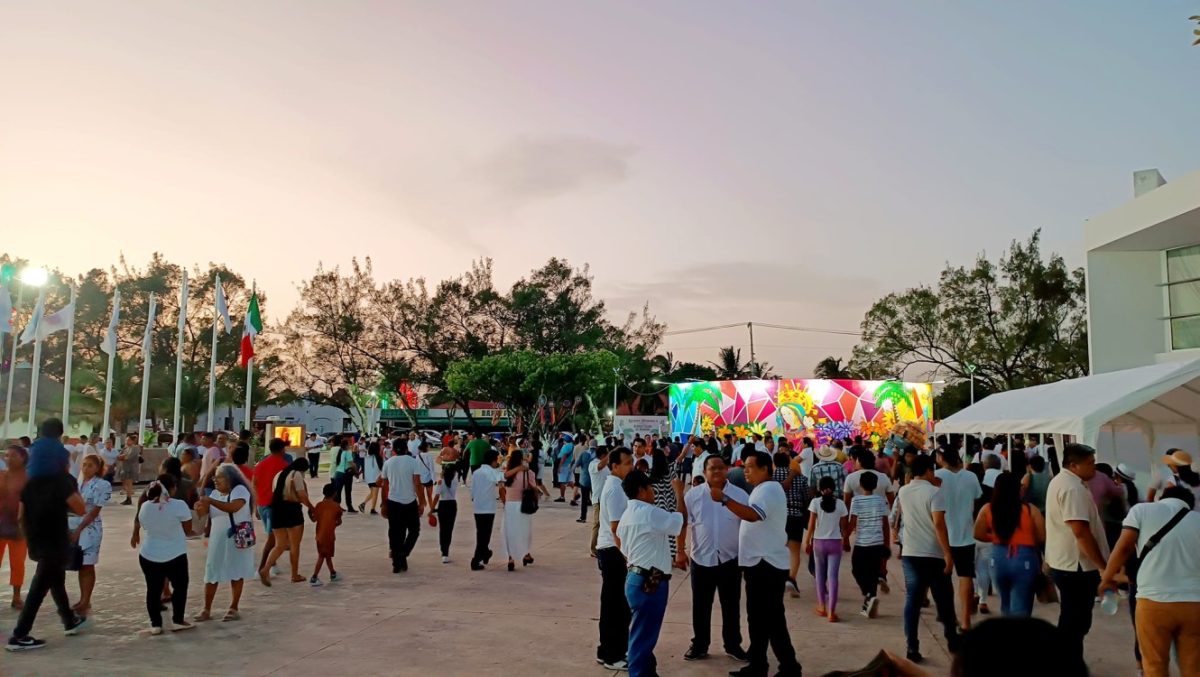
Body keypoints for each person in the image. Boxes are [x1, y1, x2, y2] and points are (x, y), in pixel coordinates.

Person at [712, 449, 803, 677]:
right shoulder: (762, 489)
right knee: (758, 619)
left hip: (767, 564)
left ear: (765, 469)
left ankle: (789, 667)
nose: (746, 471)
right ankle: (758, 664)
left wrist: (724, 499)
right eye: (745, 467)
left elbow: (753, 515)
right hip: (758, 563)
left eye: (750, 467)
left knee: (772, 620)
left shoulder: (769, 490)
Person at [1100, 485, 1200, 677]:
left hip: (1153, 602)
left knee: (1154, 665)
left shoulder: (1141, 510)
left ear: (1162, 498)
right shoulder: (1197, 520)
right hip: (1195, 604)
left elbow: (1123, 548)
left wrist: (1106, 579)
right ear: (1190, 505)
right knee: (1194, 668)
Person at [6, 453, 88, 651]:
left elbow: (20, 516)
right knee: (38, 589)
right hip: (55, 543)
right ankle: (20, 634)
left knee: (55, 580)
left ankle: (69, 620)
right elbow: (80, 508)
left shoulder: (30, 483)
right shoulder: (61, 483)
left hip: (38, 542)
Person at [678, 454, 748, 663]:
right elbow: (683, 523)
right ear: (704, 471)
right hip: (702, 560)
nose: (716, 472)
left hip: (730, 560)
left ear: (726, 469)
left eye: (720, 468)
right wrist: (680, 550)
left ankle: (733, 644)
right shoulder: (694, 495)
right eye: (712, 469)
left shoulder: (740, 495)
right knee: (701, 605)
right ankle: (699, 644)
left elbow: (747, 525)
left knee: (731, 605)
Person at [1044, 443, 1110, 665]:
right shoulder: (1071, 488)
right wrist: (1102, 566)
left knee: (1075, 620)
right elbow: (1080, 532)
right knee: (1075, 621)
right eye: (1090, 464)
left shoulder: (1065, 482)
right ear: (1073, 465)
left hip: (1067, 564)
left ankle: (1069, 660)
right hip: (1076, 566)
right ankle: (1067, 663)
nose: (1094, 468)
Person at [617, 469, 685, 677]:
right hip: (650, 581)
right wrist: (679, 494)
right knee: (643, 637)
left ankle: (647, 671)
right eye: (650, 488)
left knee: (642, 632)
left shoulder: (627, 515)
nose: (653, 492)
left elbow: (622, 546)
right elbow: (678, 522)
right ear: (642, 491)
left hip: (636, 578)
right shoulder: (648, 512)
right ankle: (638, 673)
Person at [894, 453, 960, 663]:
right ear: (929, 471)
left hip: (911, 553)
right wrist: (948, 553)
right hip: (933, 553)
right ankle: (952, 639)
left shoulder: (904, 491)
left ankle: (912, 646)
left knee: (913, 600)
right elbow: (939, 524)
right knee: (944, 599)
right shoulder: (935, 493)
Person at [133, 473, 195, 634]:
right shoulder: (179, 505)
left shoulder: (145, 506)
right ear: (172, 489)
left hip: (149, 554)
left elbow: (144, 525)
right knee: (180, 587)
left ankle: (156, 624)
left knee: (153, 589)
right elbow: (188, 530)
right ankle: (178, 620)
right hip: (175, 553)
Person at [195, 464, 255, 622]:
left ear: (230, 478)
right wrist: (200, 508)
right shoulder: (215, 493)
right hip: (217, 539)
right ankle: (206, 608)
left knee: (236, 571)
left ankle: (234, 607)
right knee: (212, 571)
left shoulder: (240, 490)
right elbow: (204, 515)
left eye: (219, 477)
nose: (215, 480)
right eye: (214, 477)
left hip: (236, 538)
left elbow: (233, 507)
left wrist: (211, 501)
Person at [933, 446, 982, 630]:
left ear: (940, 457)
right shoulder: (971, 476)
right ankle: (966, 620)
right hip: (966, 535)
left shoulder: (936, 477)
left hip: (942, 536)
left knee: (942, 579)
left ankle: (947, 615)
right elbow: (976, 500)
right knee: (966, 576)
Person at [596, 446, 634, 670]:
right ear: (615, 466)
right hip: (613, 551)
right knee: (617, 606)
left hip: (611, 550)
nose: (631, 466)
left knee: (611, 604)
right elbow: (616, 528)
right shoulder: (615, 489)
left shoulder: (616, 485)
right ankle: (613, 655)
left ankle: (606, 650)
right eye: (627, 462)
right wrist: (628, 555)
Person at [259, 458, 315, 585]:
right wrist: (312, 508)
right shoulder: (297, 475)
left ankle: (266, 568)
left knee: (280, 544)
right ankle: (294, 575)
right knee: (295, 545)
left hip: (277, 510)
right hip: (292, 510)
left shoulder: (278, 475)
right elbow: (302, 495)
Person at [68, 455, 111, 618]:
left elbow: (94, 511)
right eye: (84, 465)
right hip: (73, 524)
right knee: (79, 563)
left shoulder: (102, 485)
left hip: (90, 527)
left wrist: (79, 529)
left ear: (97, 468)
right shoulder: (77, 483)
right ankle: (83, 597)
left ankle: (86, 599)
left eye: (90, 466)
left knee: (88, 563)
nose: (86, 469)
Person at [805, 476, 850, 622]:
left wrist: (807, 541)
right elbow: (844, 527)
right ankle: (832, 612)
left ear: (820, 488)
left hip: (819, 542)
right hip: (835, 543)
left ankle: (822, 607)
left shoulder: (815, 502)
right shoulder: (841, 504)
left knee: (820, 576)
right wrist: (846, 540)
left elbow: (811, 524)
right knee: (833, 577)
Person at [380, 438, 427, 573]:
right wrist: (422, 502)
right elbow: (417, 484)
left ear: (393, 450)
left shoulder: (388, 463)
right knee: (414, 530)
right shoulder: (413, 462)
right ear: (406, 448)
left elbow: (384, 485)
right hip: (410, 501)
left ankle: (397, 561)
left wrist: (383, 504)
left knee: (396, 532)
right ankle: (403, 554)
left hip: (393, 502)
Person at [849, 471, 890, 618]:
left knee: (857, 570)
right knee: (872, 572)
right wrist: (887, 543)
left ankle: (868, 594)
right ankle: (870, 600)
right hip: (877, 543)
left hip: (862, 542)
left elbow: (852, 522)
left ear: (860, 485)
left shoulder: (856, 500)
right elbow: (885, 524)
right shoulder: (881, 500)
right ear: (875, 485)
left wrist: (845, 537)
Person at [771, 450, 810, 598]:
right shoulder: (801, 478)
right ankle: (791, 578)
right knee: (794, 551)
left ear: (774, 462)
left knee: (777, 550)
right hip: (795, 516)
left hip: (777, 517)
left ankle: (778, 580)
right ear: (788, 462)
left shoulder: (771, 478)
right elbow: (807, 497)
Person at [254, 439, 292, 577]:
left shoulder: (260, 465)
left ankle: (273, 564)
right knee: (272, 539)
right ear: (282, 450)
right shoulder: (284, 466)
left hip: (262, 504)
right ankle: (262, 567)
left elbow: (254, 484)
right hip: (275, 506)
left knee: (273, 536)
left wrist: (255, 506)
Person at [0, 445, 29, 610]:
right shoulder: (1, 476)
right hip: (1, 523)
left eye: (12, 455)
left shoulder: (28, 479)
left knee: (17, 563)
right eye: (6, 455)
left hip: (19, 527)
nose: (8, 458)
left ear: (22, 458)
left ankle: (16, 596)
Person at [502, 448, 536, 571]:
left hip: (509, 505)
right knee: (524, 532)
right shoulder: (528, 473)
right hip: (523, 505)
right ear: (521, 459)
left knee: (510, 532)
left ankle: (511, 558)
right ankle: (526, 554)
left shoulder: (507, 472)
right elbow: (534, 488)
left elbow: (503, 478)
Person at [470, 449, 504, 571]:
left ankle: (485, 553)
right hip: (488, 508)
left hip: (478, 507)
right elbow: (503, 477)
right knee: (484, 536)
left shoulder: (477, 472)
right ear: (493, 460)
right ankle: (476, 560)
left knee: (481, 533)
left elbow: (472, 491)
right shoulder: (492, 472)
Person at [309, 483, 344, 586]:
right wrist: (333, 525)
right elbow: (339, 522)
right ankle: (314, 577)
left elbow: (313, 519)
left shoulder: (319, 505)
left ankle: (333, 573)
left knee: (326, 555)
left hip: (319, 535)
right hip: (329, 536)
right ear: (335, 494)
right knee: (322, 556)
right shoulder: (337, 507)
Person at [432, 453, 460, 564]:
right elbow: (453, 473)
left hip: (443, 505)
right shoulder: (455, 481)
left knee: (443, 529)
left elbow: (436, 497)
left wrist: (431, 510)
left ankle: (444, 551)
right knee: (449, 529)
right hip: (452, 505)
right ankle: (446, 551)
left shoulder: (441, 482)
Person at [331, 437, 358, 514]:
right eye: (349, 444)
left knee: (338, 491)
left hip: (338, 473)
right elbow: (351, 463)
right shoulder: (347, 452)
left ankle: (336, 506)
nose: (350, 445)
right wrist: (356, 470)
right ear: (346, 445)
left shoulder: (341, 452)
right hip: (346, 474)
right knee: (348, 491)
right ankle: (349, 507)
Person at [358, 441, 384, 515]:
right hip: (376, 477)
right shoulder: (378, 457)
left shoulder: (366, 457)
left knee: (372, 493)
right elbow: (381, 467)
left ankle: (363, 504)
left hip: (369, 478)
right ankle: (372, 509)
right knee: (375, 494)